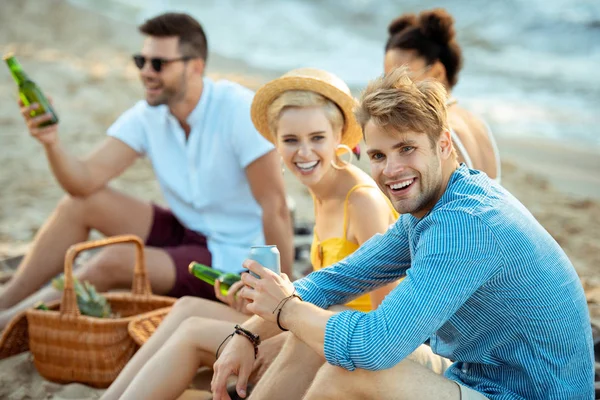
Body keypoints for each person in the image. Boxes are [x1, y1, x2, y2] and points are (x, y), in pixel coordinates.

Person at [211, 68, 594, 400]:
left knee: (347, 368)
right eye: (378, 156)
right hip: (477, 375)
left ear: (443, 144)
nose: (391, 170)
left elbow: (374, 346)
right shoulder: (435, 204)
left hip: (526, 393)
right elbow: (337, 279)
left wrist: (286, 309)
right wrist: (247, 333)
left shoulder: (466, 224)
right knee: (312, 332)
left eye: (406, 149)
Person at [101, 68, 400, 400]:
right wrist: (258, 302)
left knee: (191, 334)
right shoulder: (323, 192)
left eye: (316, 138)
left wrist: (284, 333)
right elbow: (328, 285)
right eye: (290, 140)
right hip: (309, 326)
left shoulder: (361, 201)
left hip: (335, 345)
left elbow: (385, 318)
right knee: (186, 307)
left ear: (339, 136)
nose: (303, 152)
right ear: (275, 142)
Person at [0, 12, 294, 329]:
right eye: (141, 61)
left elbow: (275, 207)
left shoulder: (238, 110)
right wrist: (51, 142)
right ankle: (7, 300)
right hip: (186, 230)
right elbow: (82, 183)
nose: (145, 72)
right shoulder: (148, 116)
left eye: (158, 64)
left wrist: (283, 298)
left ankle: (10, 323)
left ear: (195, 66)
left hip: (231, 256)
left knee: (113, 261)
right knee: (80, 205)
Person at [384, 8, 501, 183]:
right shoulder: (478, 123)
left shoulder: (437, 129)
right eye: (387, 79)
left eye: (401, 79)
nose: (390, 89)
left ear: (438, 72)